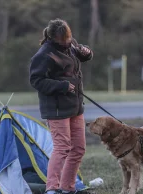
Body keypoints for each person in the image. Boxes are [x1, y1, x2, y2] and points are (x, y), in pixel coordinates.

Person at [29, 18, 93, 194]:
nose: (68, 41)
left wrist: (86, 53)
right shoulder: (44, 55)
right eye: (64, 39)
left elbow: (81, 57)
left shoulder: (71, 45)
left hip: (75, 106)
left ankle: (68, 188)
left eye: (69, 37)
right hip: (57, 109)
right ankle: (52, 188)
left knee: (78, 149)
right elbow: (36, 80)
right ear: (53, 38)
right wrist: (61, 86)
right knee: (62, 148)